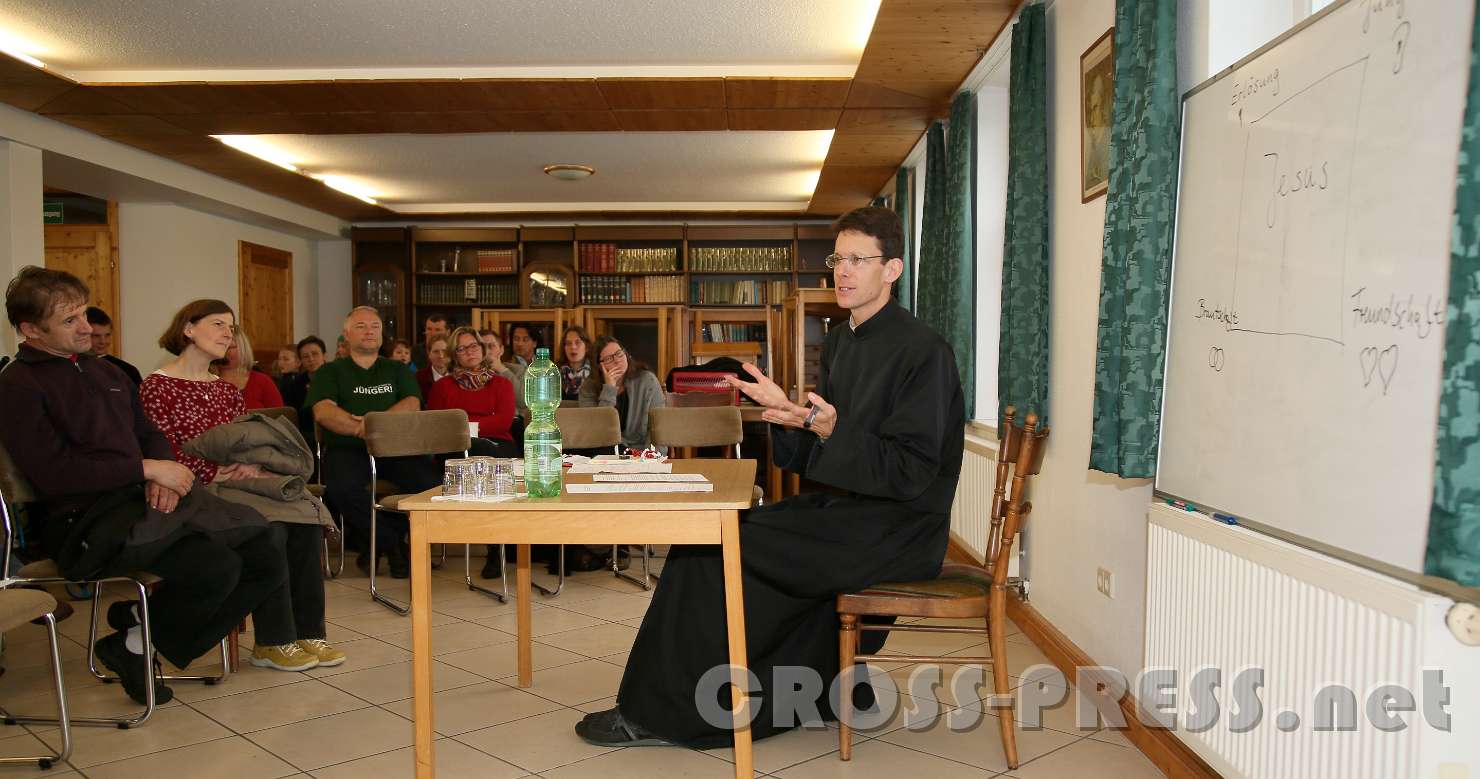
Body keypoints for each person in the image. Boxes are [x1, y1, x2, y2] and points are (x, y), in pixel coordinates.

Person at [576, 207, 965, 748]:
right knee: (722, 531)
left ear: (892, 269)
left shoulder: (924, 351)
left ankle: (660, 714)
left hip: (899, 527)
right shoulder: (841, 341)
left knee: (709, 548)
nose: (842, 271)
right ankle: (822, 690)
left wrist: (826, 431)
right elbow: (827, 449)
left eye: (858, 260)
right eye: (837, 259)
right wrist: (788, 416)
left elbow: (911, 472)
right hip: (849, 510)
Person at [0, 267, 290, 705]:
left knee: (266, 546)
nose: (86, 328)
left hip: (143, 501)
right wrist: (147, 470)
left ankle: (136, 637)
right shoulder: (18, 385)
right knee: (216, 567)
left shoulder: (107, 372)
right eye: (69, 320)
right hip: (83, 522)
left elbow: (148, 432)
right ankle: (138, 636)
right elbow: (54, 474)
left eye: (84, 314)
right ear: (31, 330)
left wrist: (165, 472)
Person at [140, 300, 344, 671]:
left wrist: (252, 465)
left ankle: (309, 632)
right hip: (190, 491)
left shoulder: (226, 391)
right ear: (188, 329)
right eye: (218, 324)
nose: (227, 334)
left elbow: (243, 440)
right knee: (270, 529)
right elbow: (159, 451)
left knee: (305, 524)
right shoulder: (157, 387)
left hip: (235, 486)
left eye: (231, 327)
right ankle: (273, 641)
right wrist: (211, 471)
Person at [307, 306, 437, 578]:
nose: (369, 331)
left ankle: (377, 542)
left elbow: (411, 403)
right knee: (341, 489)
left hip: (395, 448)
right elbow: (324, 412)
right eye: (361, 326)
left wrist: (375, 425)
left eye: (374, 326)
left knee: (429, 484)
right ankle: (393, 544)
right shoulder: (330, 371)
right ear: (346, 335)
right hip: (347, 449)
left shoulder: (397, 369)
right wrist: (361, 429)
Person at [427, 326, 519, 580]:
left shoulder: (501, 384)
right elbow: (438, 424)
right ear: (453, 354)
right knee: (480, 452)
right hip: (456, 449)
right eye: (462, 348)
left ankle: (496, 546)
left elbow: (502, 422)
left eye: (474, 346)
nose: (470, 351)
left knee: (488, 453)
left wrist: (465, 427)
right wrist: (469, 433)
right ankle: (496, 544)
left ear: (482, 348)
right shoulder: (443, 387)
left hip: (498, 445)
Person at [579, 336, 666, 453]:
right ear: (599, 366)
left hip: (640, 452)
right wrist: (609, 389)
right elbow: (596, 432)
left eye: (619, 353)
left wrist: (650, 456)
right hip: (605, 451)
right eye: (608, 358)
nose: (617, 360)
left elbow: (658, 426)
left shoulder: (647, 380)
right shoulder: (588, 388)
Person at [216, 325, 284, 410]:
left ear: (242, 348)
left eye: (230, 347)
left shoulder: (262, 381)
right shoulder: (204, 382)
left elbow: (279, 415)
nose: (222, 351)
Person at [281, 335, 327, 449]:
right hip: (305, 436)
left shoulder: (337, 379)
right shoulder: (295, 385)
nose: (311, 359)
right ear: (301, 361)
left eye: (315, 354)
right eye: (305, 356)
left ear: (324, 356)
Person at [84, 306, 142, 385]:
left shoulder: (127, 371)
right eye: (96, 336)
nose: (103, 341)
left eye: (107, 335)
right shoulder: (71, 368)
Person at [557, 324, 594, 401]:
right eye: (568, 343)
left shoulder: (595, 373)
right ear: (564, 348)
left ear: (587, 347)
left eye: (578, 342)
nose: (573, 347)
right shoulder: (554, 373)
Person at [414, 335, 450, 400]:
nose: (441, 356)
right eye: (436, 352)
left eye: (444, 351)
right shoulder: (418, 378)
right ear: (429, 354)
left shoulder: (459, 376)